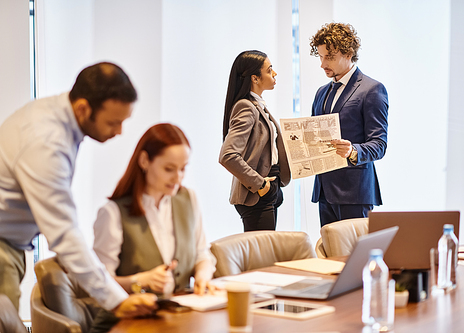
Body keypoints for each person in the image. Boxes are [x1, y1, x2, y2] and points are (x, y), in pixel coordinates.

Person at [0, 62, 157, 317]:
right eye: (113, 122)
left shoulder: (57, 116)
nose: (119, 132)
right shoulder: (46, 142)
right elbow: (63, 233)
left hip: (12, 244)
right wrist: (117, 301)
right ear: (83, 108)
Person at [93, 123, 215, 296]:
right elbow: (99, 282)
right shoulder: (113, 213)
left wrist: (203, 276)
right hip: (131, 318)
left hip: (181, 313)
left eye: (183, 168)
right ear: (144, 161)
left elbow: (202, 254)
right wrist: (140, 281)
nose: (178, 178)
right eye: (169, 169)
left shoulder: (189, 199)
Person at [309, 22, 389, 227]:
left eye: (329, 57)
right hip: (324, 191)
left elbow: (379, 145)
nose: (322, 64)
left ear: (348, 52)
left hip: (355, 193)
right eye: (320, 56)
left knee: (355, 257)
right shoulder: (321, 92)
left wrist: (353, 150)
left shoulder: (372, 89)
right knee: (330, 257)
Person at [219, 50, 291, 232]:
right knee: (262, 258)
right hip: (257, 192)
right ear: (255, 78)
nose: (274, 74)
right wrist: (260, 185)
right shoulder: (246, 107)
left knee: (266, 252)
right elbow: (227, 155)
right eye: (269, 70)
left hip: (270, 186)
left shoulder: (257, 105)